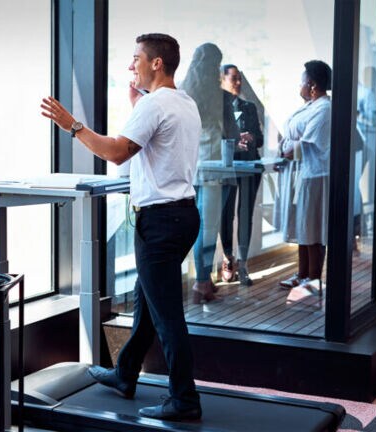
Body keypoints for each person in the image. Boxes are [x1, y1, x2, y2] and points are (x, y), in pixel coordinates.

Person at [40, 33, 203, 420]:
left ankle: (184, 399)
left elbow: (115, 153)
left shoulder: (155, 106)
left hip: (161, 222)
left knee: (167, 316)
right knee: (148, 303)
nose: (132, 66)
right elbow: (157, 149)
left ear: (156, 63)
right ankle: (126, 373)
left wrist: (72, 125)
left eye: (136, 59)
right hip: (183, 216)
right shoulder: (183, 102)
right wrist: (136, 106)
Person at [180, 43, 239, 303]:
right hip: (217, 166)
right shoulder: (221, 96)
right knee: (210, 225)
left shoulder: (183, 93)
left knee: (200, 225)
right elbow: (233, 133)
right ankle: (201, 283)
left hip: (192, 168)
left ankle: (203, 279)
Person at [277, 60, 331, 294]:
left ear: (311, 84)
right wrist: (288, 145)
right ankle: (302, 274)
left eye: (301, 81)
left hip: (316, 175)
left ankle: (313, 278)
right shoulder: (311, 106)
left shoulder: (325, 109)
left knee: (313, 226)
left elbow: (305, 144)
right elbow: (290, 137)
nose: (299, 86)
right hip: (303, 174)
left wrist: (289, 147)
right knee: (303, 224)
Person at [219, 64, 264, 286]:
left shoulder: (249, 107)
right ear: (222, 80)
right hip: (227, 168)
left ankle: (243, 265)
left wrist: (252, 138)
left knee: (245, 215)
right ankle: (228, 259)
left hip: (249, 168)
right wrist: (233, 141)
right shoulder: (216, 108)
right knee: (225, 215)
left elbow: (261, 139)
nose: (238, 83)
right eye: (233, 78)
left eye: (239, 79)